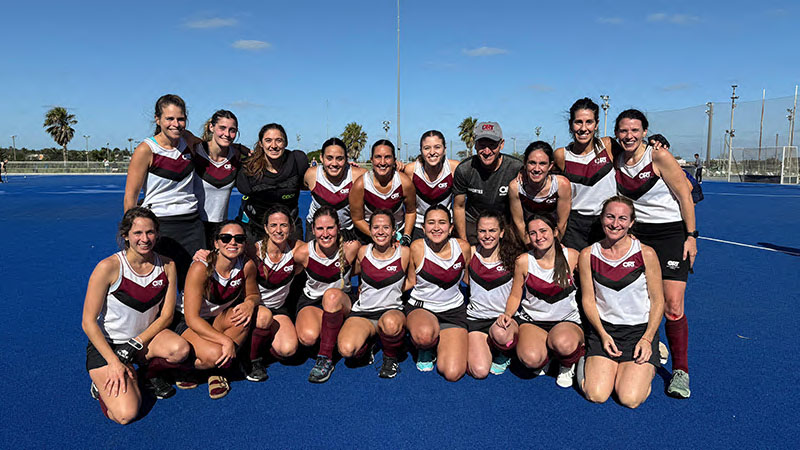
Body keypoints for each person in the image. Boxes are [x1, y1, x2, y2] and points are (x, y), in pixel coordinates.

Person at [613, 109, 697, 398]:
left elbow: (685, 195)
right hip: (638, 235)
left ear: (645, 132)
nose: (629, 135)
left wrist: (691, 237)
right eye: (623, 130)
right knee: (643, 300)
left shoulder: (658, 156)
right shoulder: (617, 158)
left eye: (635, 130)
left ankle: (680, 371)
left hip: (671, 234)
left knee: (673, 305)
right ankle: (651, 343)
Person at [81, 207, 191, 424]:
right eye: (137, 233)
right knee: (125, 414)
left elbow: (167, 316)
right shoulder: (108, 267)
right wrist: (114, 362)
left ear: (157, 234)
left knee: (180, 350)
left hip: (144, 340)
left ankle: (146, 374)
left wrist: (135, 344)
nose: (145, 239)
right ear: (126, 236)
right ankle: (101, 385)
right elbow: (88, 322)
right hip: (109, 346)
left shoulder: (167, 265)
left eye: (150, 232)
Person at [577, 196, 665, 408]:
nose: (615, 224)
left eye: (622, 218)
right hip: (605, 332)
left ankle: (653, 354)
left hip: (638, 333)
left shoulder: (646, 254)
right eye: (610, 217)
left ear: (631, 222)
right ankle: (582, 360)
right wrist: (602, 333)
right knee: (596, 394)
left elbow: (658, 301)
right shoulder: (588, 254)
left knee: (630, 399)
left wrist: (647, 338)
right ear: (601, 219)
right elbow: (588, 299)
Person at [489, 214, 584, 388]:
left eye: (543, 231)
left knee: (564, 343)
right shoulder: (524, 261)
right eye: (533, 233)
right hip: (533, 322)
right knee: (530, 359)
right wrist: (508, 314)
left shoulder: (572, 256)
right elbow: (516, 295)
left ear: (555, 231)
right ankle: (547, 355)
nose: (539, 237)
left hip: (566, 321)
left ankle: (567, 364)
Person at [124, 94, 204, 290]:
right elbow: (130, 198)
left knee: (195, 286)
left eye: (180, 119)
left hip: (192, 226)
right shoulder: (146, 150)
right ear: (157, 119)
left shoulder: (189, 141)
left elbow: (216, 146)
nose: (175, 124)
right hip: (161, 227)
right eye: (169, 119)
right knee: (161, 286)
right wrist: (130, 235)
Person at [176, 220, 261, 399]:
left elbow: (253, 295)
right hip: (188, 322)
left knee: (243, 317)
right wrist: (226, 341)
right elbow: (192, 318)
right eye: (226, 238)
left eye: (239, 238)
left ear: (245, 243)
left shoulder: (246, 265)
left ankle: (217, 372)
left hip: (216, 319)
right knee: (214, 354)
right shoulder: (201, 267)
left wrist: (249, 303)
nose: (232, 242)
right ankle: (183, 367)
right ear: (216, 243)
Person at [337, 209, 410, 379]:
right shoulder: (363, 251)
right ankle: (371, 343)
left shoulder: (405, 253)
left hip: (391, 310)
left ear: (394, 231)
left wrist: (393, 289)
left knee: (391, 324)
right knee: (347, 350)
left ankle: (390, 357)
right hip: (364, 312)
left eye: (386, 227)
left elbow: (413, 280)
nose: (381, 231)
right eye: (376, 227)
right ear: (369, 231)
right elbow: (349, 273)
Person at [293, 206, 361, 383]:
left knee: (331, 295)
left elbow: (369, 267)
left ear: (338, 227)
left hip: (340, 300)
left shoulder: (351, 248)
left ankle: (324, 358)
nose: (325, 233)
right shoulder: (303, 253)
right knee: (307, 338)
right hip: (312, 301)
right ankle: (335, 332)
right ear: (313, 230)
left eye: (330, 227)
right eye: (320, 228)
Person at [406, 205, 472, 381]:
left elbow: (469, 280)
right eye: (431, 223)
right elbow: (410, 281)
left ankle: (441, 340)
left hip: (453, 312)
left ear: (451, 228)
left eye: (442, 223)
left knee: (453, 372)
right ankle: (426, 347)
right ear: (423, 228)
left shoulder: (463, 247)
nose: (436, 228)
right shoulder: (417, 247)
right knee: (424, 336)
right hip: (422, 308)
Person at [464, 211, 522, 378]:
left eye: (492, 231)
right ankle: (487, 344)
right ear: (476, 232)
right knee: (479, 371)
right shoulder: (471, 252)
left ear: (502, 232)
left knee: (501, 334)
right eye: (482, 231)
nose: (487, 235)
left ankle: (504, 353)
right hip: (476, 319)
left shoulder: (515, 258)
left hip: (504, 319)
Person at [554, 98, 617, 251]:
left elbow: (636, 154)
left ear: (596, 124)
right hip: (575, 227)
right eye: (578, 122)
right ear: (570, 124)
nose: (583, 128)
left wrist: (655, 141)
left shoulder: (608, 146)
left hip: (608, 223)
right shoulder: (561, 155)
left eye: (589, 122)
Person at [250, 205, 305, 379]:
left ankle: (261, 344)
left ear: (291, 228)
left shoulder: (297, 249)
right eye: (273, 225)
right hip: (254, 309)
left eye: (284, 225)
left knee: (289, 350)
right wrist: (203, 253)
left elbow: (324, 249)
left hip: (278, 309)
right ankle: (252, 360)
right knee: (263, 316)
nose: (279, 230)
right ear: (266, 228)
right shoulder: (254, 251)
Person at [453, 121, 523, 245]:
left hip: (504, 224)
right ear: (475, 145)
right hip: (473, 223)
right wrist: (463, 242)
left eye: (492, 145)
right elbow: (459, 206)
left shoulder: (516, 168)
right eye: (482, 145)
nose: (486, 151)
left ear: (501, 144)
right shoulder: (464, 169)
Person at [236, 123, 309, 242]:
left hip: (289, 226)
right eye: (268, 140)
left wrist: (347, 170)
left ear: (286, 143)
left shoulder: (297, 161)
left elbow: (318, 176)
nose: (274, 146)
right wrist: (236, 147)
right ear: (261, 144)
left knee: (298, 258)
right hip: (256, 227)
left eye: (279, 140)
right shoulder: (248, 168)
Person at [192, 110, 244, 247]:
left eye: (232, 130)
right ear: (211, 127)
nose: (227, 134)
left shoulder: (237, 156)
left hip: (220, 228)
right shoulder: (195, 151)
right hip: (194, 226)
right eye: (222, 128)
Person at [349, 140, 416, 245]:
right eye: (378, 157)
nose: (383, 162)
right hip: (369, 235)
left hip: (398, 235)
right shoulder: (360, 185)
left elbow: (411, 212)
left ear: (394, 160)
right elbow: (357, 219)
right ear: (371, 160)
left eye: (388, 157)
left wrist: (406, 236)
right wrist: (379, 236)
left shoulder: (404, 182)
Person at [304, 137, 367, 242]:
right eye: (329, 158)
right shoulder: (311, 174)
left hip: (346, 230)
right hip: (317, 230)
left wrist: (395, 167)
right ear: (321, 158)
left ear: (346, 159)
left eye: (339, 158)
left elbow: (382, 177)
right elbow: (302, 186)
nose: (334, 163)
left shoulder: (358, 175)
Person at [509, 141, 571, 245]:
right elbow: (519, 223)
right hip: (527, 242)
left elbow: (562, 224)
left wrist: (551, 248)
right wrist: (532, 249)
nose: (537, 169)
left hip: (554, 241)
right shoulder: (515, 187)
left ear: (550, 166)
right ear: (525, 163)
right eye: (532, 163)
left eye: (542, 163)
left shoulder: (561, 185)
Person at [403, 130, 460, 241]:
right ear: (421, 150)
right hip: (419, 227)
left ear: (444, 150)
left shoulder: (454, 168)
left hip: (446, 227)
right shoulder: (411, 170)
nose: (432, 152)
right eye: (427, 148)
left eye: (437, 147)